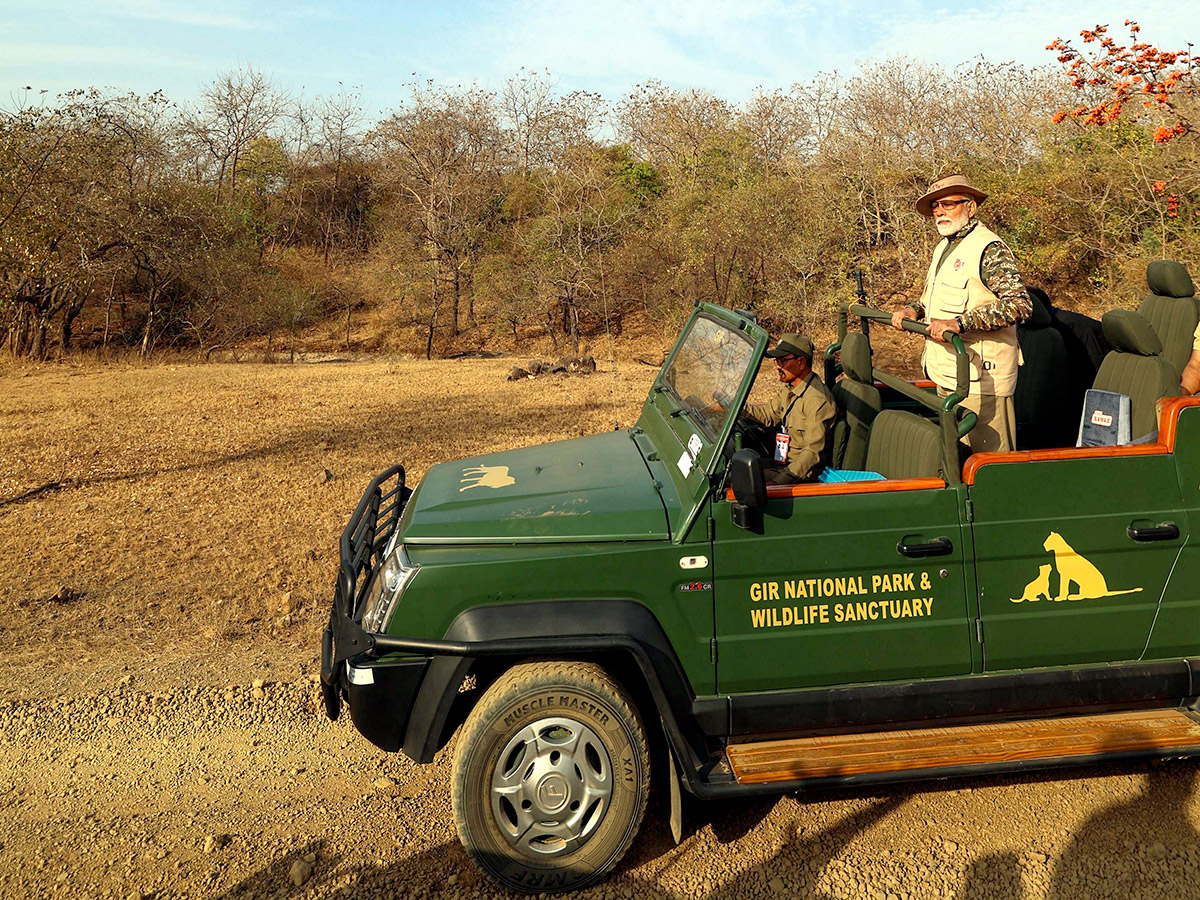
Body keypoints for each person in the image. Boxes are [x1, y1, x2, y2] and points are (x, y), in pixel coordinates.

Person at [891, 174, 1032, 453]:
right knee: (958, 463)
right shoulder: (944, 246)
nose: (939, 211)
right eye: (934, 206)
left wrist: (960, 323)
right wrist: (913, 310)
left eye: (947, 204)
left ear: (970, 207)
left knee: (989, 467)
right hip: (947, 374)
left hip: (982, 381)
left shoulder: (989, 248)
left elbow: (1020, 305)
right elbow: (932, 299)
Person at [742, 333, 836, 484]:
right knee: (736, 470)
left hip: (802, 476)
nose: (778, 366)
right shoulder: (791, 388)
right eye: (777, 361)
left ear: (801, 362)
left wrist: (778, 483)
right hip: (784, 463)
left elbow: (811, 454)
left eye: (783, 361)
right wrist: (735, 408)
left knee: (742, 481)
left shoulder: (817, 401)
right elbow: (768, 414)